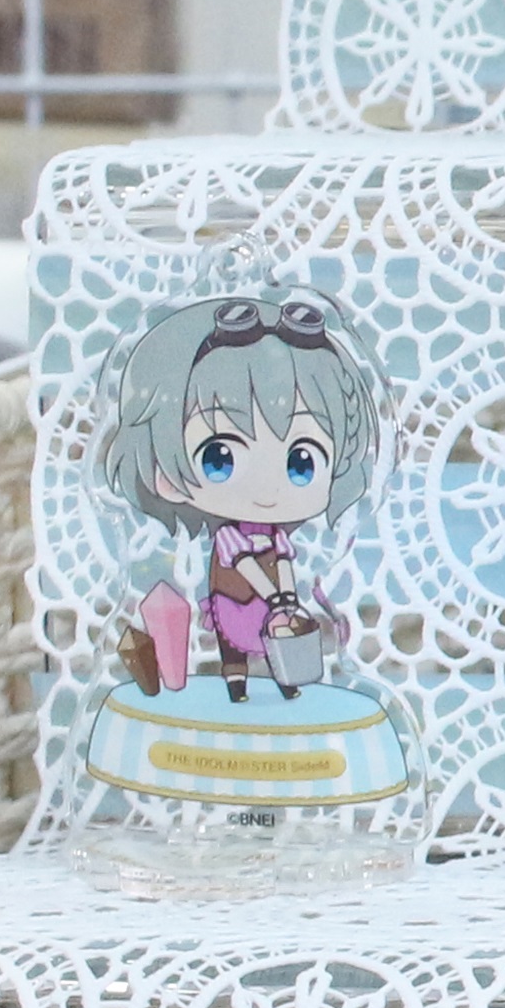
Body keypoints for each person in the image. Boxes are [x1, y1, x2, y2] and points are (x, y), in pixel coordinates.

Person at [97, 291, 385, 705]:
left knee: (275, 641)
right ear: (165, 475)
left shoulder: (277, 535)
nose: (267, 491)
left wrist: (288, 598)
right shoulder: (229, 538)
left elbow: (282, 561)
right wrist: (276, 598)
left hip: (271, 603)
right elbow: (246, 564)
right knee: (233, 646)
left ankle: (287, 681)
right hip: (237, 600)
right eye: (219, 458)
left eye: (301, 463)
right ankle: (237, 685)